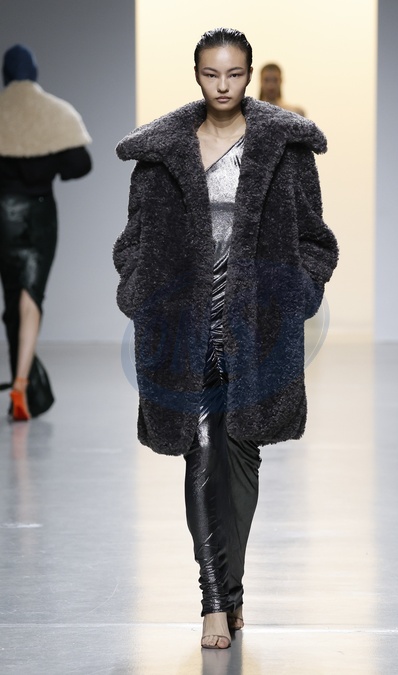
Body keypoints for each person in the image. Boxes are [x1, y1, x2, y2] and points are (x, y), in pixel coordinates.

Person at [113, 28, 338, 650]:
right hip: (182, 324)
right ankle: (214, 604)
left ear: (248, 75)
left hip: (257, 324)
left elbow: (316, 238)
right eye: (212, 74)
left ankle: (230, 596)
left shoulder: (285, 150)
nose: (223, 85)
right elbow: (133, 238)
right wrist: (138, 291)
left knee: (239, 458)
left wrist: (298, 294)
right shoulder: (163, 153)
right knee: (203, 450)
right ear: (197, 74)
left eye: (234, 74)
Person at [0, 45, 92, 420]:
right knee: (31, 296)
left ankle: (23, 385)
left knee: (13, 299)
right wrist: (48, 164)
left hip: (3, 214)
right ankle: (23, 385)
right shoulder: (55, 112)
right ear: (34, 72)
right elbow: (80, 164)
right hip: (39, 214)